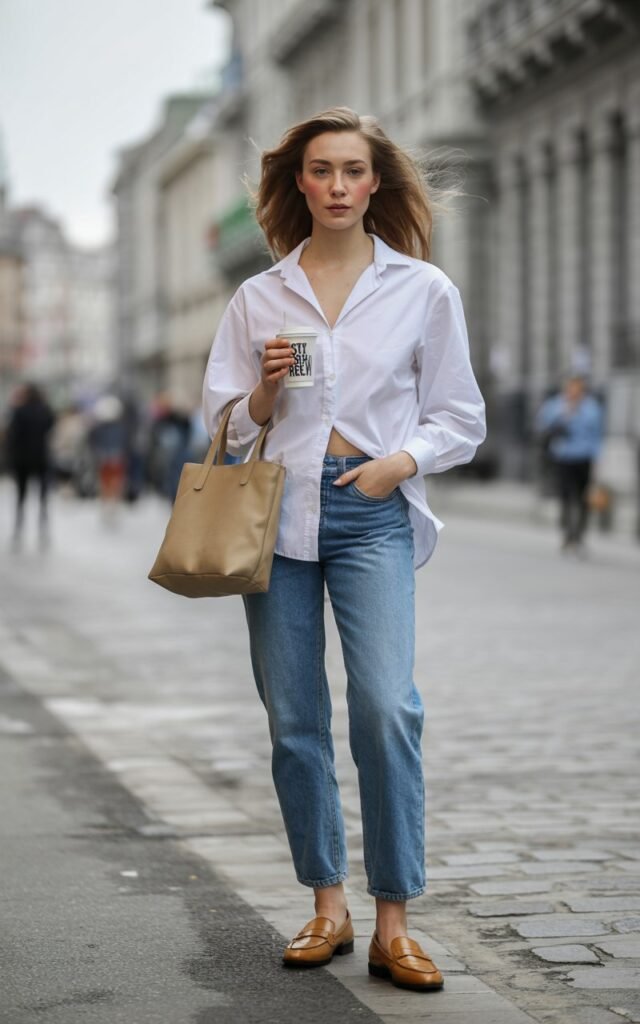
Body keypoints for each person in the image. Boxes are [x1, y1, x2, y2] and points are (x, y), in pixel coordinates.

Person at [202, 107, 486, 992]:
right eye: (319, 171)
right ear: (299, 184)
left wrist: (398, 462)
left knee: (387, 709)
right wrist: (261, 393)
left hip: (372, 512)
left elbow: (460, 417)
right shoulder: (259, 297)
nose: (335, 186)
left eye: (352, 171)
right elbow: (221, 426)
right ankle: (327, 905)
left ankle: (395, 920)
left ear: (374, 185)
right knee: (294, 725)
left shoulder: (424, 291)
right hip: (275, 519)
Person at [535, 374, 604, 554]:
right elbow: (544, 424)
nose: (573, 390)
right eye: (570, 387)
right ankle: (567, 534)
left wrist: (597, 458)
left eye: (577, 387)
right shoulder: (556, 405)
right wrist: (565, 413)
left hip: (584, 457)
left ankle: (578, 535)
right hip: (563, 456)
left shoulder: (591, 407)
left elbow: (596, 434)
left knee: (583, 498)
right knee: (565, 496)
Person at [5, 382, 55, 548]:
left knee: (21, 496)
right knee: (43, 497)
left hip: (22, 459)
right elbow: (51, 426)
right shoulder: (45, 411)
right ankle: (43, 529)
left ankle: (19, 528)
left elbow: (12, 435)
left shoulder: (19, 411)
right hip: (41, 457)